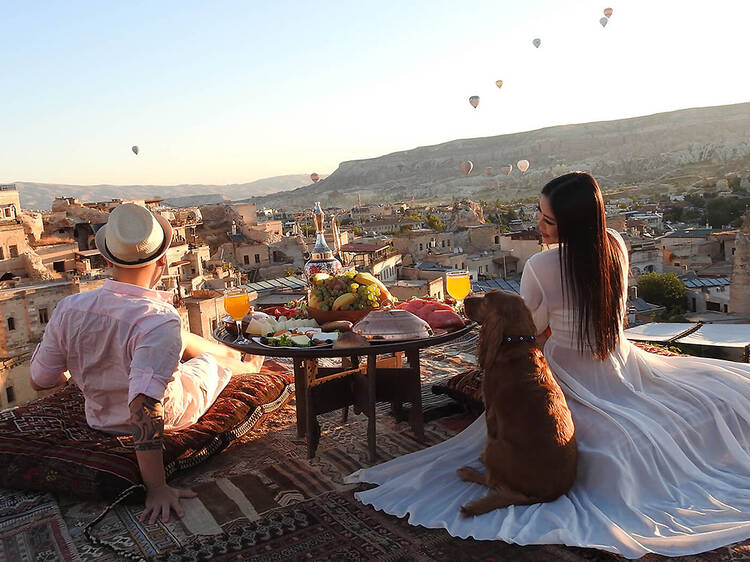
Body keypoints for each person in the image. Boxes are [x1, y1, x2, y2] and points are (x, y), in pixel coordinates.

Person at [346, 172, 750, 559]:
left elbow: (530, 332)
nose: (539, 225)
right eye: (539, 214)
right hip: (619, 360)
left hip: (568, 373)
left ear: (571, 224)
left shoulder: (541, 266)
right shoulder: (615, 244)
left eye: (548, 220)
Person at [29, 203, 263, 525]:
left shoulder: (70, 307)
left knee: (173, 338)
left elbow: (41, 379)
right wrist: (156, 486)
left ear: (108, 259)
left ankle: (220, 355)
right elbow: (144, 405)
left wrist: (79, 365)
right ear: (163, 261)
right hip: (173, 411)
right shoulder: (159, 319)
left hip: (99, 418)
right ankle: (246, 366)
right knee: (212, 361)